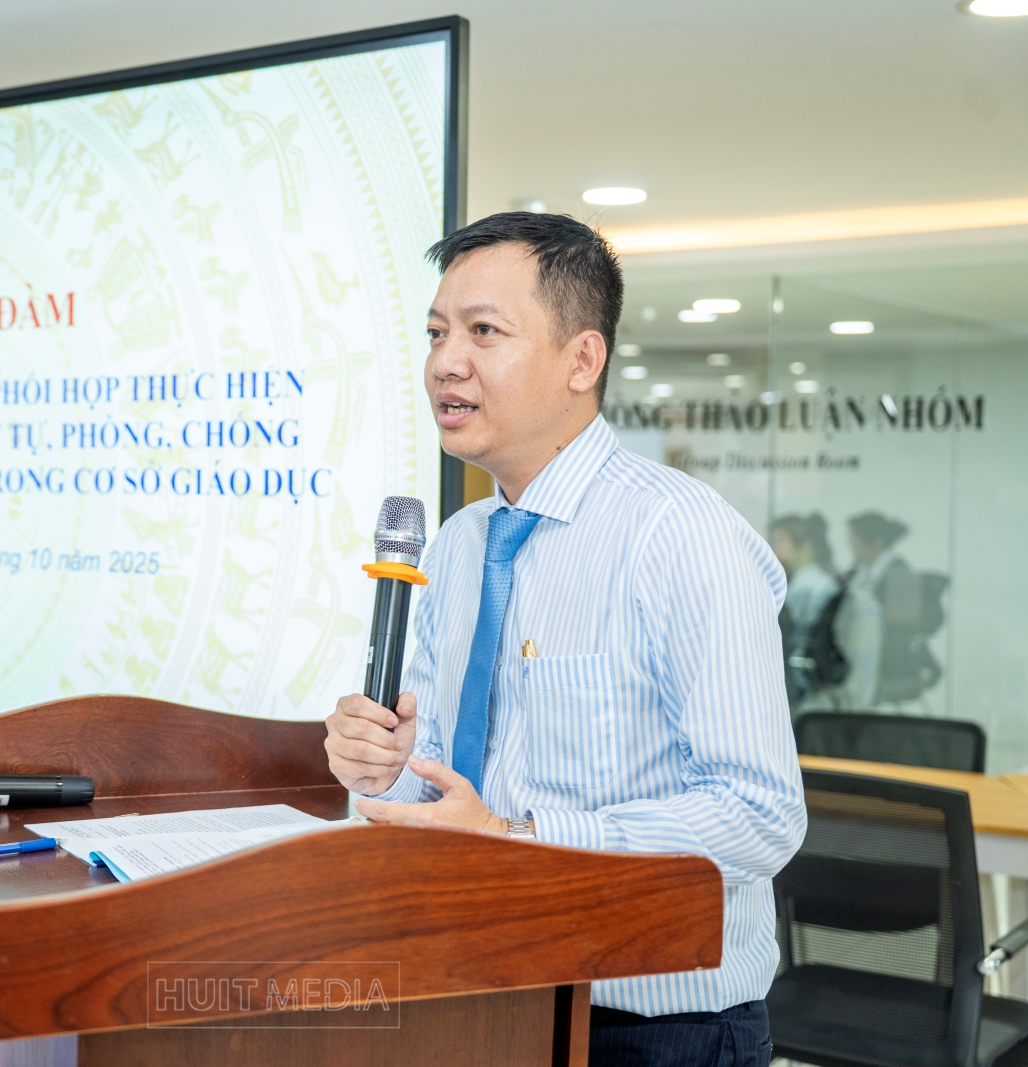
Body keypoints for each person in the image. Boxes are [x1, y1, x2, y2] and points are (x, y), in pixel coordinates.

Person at [324, 212, 805, 1067]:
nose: (446, 362)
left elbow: (759, 814)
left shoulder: (680, 534)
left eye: (483, 331)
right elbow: (454, 791)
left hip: (653, 1028)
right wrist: (388, 763)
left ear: (582, 360)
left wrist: (520, 838)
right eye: (436, 332)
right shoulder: (459, 545)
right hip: (479, 997)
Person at [844, 511, 938, 704]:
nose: (851, 544)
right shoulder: (859, 572)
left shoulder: (900, 575)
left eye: (855, 538)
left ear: (876, 542)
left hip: (889, 668)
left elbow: (901, 628)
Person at [770, 513, 843, 702]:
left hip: (796, 676)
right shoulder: (817, 579)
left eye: (780, 541)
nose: (773, 548)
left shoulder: (804, 586)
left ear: (805, 545)